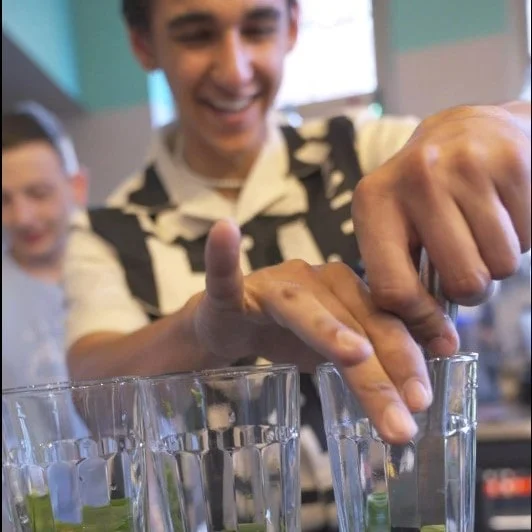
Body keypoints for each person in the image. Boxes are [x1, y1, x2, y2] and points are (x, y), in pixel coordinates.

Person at [64, 1, 531, 529]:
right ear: (145, 45)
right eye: (197, 35)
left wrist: (500, 129)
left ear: (291, 28)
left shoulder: (367, 151)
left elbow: (490, 140)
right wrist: (203, 331)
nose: (235, 69)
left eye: (258, 28)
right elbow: (92, 391)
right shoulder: (107, 231)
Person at [2, 102, 88, 390]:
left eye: (38, 194)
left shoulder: (120, 272)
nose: (22, 218)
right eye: (4, 200)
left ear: (77, 187)